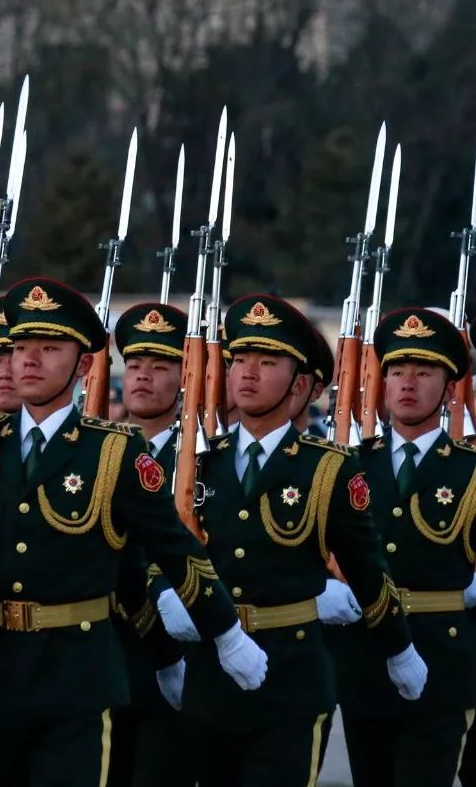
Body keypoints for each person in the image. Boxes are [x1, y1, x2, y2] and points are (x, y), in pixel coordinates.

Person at [0, 276, 267, 786]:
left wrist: (226, 633)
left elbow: (172, 550)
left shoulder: (113, 451)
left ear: (84, 365)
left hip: (77, 680)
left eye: (49, 349)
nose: (29, 360)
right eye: (21, 347)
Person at [182, 293, 422, 786]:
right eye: (240, 359)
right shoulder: (200, 462)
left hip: (291, 680)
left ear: (300, 385)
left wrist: (398, 648)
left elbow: (366, 568)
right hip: (209, 679)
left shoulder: (328, 467)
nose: (248, 373)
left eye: (267, 362)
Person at [329, 308, 476, 786]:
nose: (407, 383)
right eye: (396, 371)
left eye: (424, 372)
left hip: (442, 663)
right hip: (364, 660)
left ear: (450, 391)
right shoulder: (347, 465)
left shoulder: (470, 469)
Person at [108, 301, 196, 787]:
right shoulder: (97, 454)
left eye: (160, 366)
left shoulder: (201, 460)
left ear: (185, 379)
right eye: (135, 364)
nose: (142, 376)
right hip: (104, 654)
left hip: (180, 656)